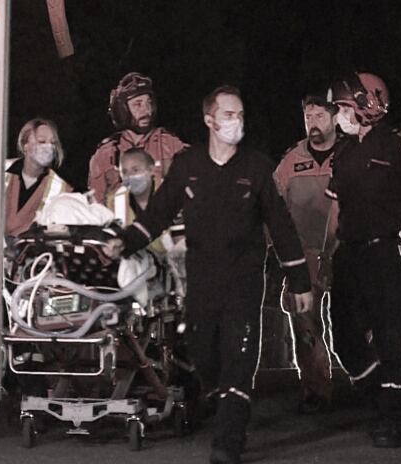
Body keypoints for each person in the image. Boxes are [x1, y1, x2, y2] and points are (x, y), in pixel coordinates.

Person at [104, 86, 313, 464]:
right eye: (229, 114)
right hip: (201, 281)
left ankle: (228, 441)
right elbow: (159, 214)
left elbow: (281, 227)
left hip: (244, 280)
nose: (237, 122)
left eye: (241, 115)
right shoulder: (188, 166)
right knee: (205, 357)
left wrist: (299, 281)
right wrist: (125, 242)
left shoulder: (257, 167)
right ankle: (224, 400)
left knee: (239, 355)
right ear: (209, 120)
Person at [324, 72, 401, 448]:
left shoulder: (397, 144)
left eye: (342, 107)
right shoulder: (342, 153)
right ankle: (378, 395)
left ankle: (394, 418)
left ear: (366, 104)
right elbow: (334, 209)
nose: (338, 115)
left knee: (389, 337)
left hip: (387, 251)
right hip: (350, 253)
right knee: (341, 333)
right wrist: (326, 255)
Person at [273, 94, 339, 414]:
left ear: (335, 117)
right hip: (305, 254)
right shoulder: (291, 160)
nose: (313, 122)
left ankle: (372, 380)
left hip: (345, 250)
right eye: (308, 117)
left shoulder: (349, 153)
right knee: (304, 321)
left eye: (320, 116)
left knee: (358, 320)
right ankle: (315, 388)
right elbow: (272, 205)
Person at [88, 72, 188, 203]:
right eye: (138, 104)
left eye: (149, 103)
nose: (147, 111)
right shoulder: (106, 154)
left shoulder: (170, 144)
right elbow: (95, 206)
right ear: (122, 110)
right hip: (122, 222)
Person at [106, 147, 185, 256]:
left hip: (174, 263)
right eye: (124, 172)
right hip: (134, 264)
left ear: (151, 170)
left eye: (135, 170)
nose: (130, 176)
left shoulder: (171, 194)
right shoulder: (114, 200)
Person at [4, 118, 72, 237]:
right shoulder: (0, 170)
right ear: (25, 145)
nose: (48, 147)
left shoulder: (61, 188)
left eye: (52, 143)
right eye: (42, 141)